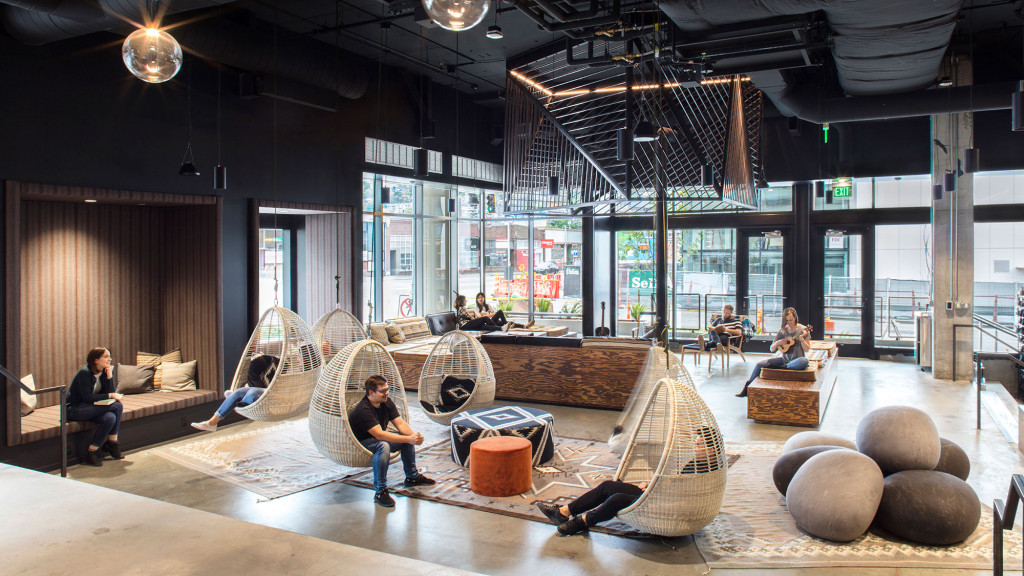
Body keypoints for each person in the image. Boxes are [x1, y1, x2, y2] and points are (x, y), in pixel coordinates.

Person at [536, 427, 722, 535]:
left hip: (667, 504)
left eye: (698, 445)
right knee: (608, 486)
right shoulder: (698, 462)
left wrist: (653, 491)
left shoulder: (706, 471)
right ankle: (563, 511)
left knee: (617, 499)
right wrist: (651, 485)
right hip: (660, 494)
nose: (694, 447)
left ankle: (583, 521)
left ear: (712, 450)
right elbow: (675, 483)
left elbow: (684, 495)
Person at [350, 374, 435, 507]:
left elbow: (400, 424)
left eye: (387, 389)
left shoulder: (386, 402)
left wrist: (414, 437)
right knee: (383, 446)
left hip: (379, 438)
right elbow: (379, 435)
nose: (387, 393)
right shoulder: (363, 410)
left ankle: (412, 477)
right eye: (383, 391)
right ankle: (380, 491)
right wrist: (409, 438)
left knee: (405, 440)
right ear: (371, 393)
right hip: (362, 443)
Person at [191, 354, 279, 432]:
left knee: (251, 392)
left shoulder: (283, 364)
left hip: (274, 391)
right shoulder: (273, 361)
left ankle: (239, 402)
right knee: (238, 391)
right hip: (262, 390)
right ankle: (211, 423)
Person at [735, 307, 811, 397]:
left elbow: (807, 349)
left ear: (795, 318)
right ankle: (746, 389)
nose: (789, 323)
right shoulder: (783, 331)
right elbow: (772, 348)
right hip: (784, 360)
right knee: (759, 364)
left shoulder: (802, 330)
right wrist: (779, 342)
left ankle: (784, 367)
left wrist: (801, 339)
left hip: (796, 361)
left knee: (804, 361)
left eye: (791, 320)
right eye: (786, 321)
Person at [67, 347, 124, 467]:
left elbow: (110, 394)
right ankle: (112, 443)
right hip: (76, 409)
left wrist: (109, 377)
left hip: (92, 408)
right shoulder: (84, 372)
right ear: (96, 360)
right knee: (118, 406)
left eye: (110, 356)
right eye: (106, 356)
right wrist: (110, 395)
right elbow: (87, 397)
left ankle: (91, 451)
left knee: (110, 418)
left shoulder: (104, 372)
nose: (110, 359)